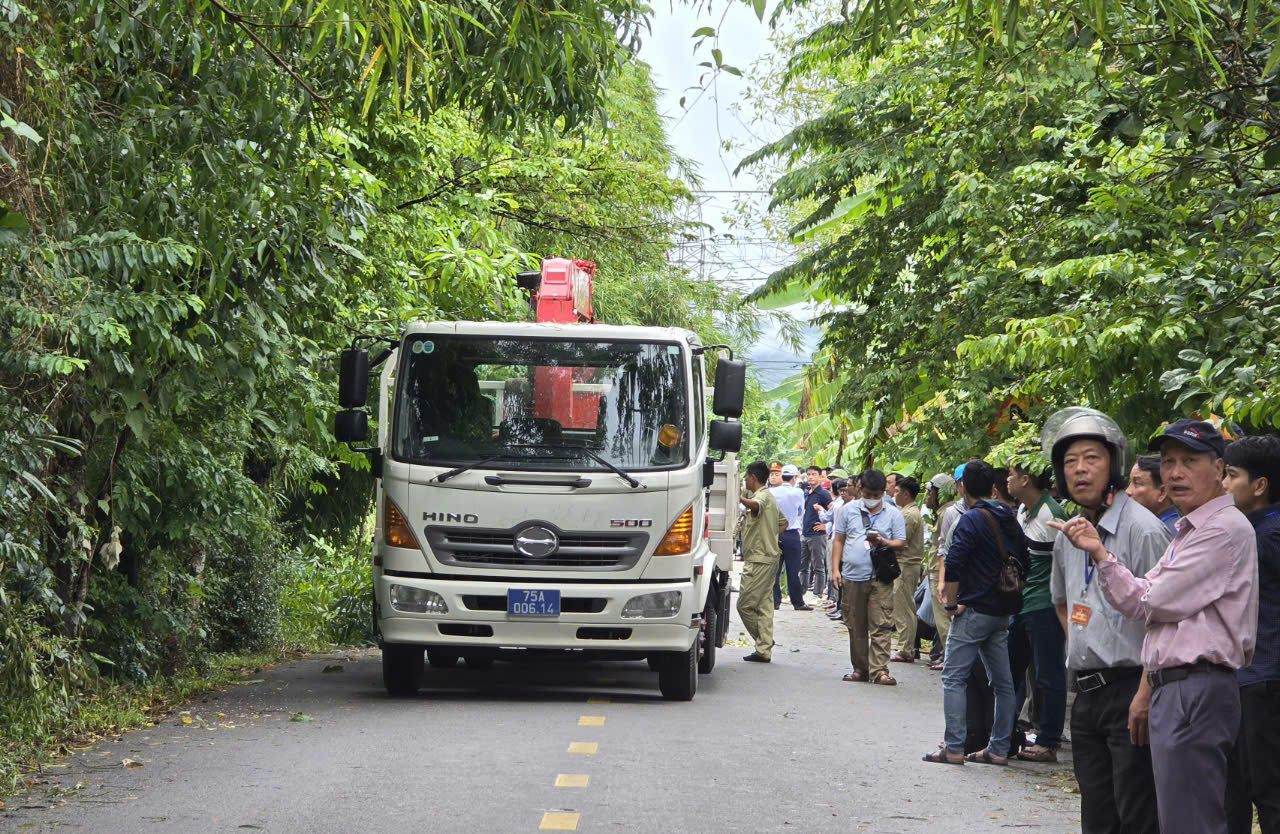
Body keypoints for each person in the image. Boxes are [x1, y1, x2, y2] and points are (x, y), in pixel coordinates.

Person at [1056, 418, 1258, 834]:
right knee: (1165, 816)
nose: (1175, 473)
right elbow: (1134, 596)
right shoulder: (1188, 529)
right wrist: (1098, 551)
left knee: (1180, 819)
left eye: (1189, 461)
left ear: (1219, 468)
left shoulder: (1219, 530)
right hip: (1168, 686)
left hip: (1190, 685)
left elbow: (1149, 600)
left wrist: (1102, 557)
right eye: (1168, 462)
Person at [1042, 410, 1171, 834]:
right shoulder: (1069, 529)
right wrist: (1085, 645)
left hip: (1134, 687)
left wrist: (1145, 690)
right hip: (1087, 692)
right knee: (1096, 811)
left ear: (1113, 464)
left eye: (1091, 458)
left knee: (1136, 810)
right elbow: (1063, 602)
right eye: (1070, 461)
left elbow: (1166, 619)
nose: (1080, 469)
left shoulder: (1144, 530)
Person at [923, 460, 1029, 766]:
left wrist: (952, 603)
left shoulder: (970, 519)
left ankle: (954, 746)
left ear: (962, 488)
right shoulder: (1008, 517)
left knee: (954, 677)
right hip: (1002, 611)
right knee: (1003, 683)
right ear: (994, 488)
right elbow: (1025, 560)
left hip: (974, 610)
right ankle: (998, 747)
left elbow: (954, 561)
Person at [1223, 434, 1280, 834]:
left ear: (1259, 486)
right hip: (1248, 676)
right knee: (1235, 788)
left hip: (1263, 678)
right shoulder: (1254, 530)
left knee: (1265, 787)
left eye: (1231, 475)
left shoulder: (1265, 537)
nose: (1223, 484)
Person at [1005, 459, 1069, 762]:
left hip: (1045, 605)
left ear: (1026, 480)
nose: (1007, 480)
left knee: (1048, 674)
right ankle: (1005, 732)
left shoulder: (1053, 516)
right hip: (1021, 604)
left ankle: (1048, 741)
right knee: (1011, 671)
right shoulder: (1022, 511)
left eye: (1011, 474)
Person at [832, 469, 906, 685]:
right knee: (856, 625)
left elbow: (901, 543)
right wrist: (835, 569)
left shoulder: (894, 514)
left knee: (881, 624)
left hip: (880, 577)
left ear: (883, 492)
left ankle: (880, 670)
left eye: (877, 495)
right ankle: (860, 669)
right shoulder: (848, 510)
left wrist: (883, 542)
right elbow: (839, 539)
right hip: (853, 576)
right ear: (860, 489)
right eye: (868, 494)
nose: (872, 499)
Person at [737, 460, 788, 663]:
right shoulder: (770, 498)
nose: (745, 480)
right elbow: (783, 523)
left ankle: (764, 641)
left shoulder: (763, 497)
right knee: (765, 606)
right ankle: (764, 650)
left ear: (753, 477)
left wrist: (737, 497)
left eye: (746, 477)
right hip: (767, 557)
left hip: (759, 560)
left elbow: (754, 505)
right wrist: (771, 538)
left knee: (745, 605)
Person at [929, 467, 968, 670]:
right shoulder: (947, 510)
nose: (928, 496)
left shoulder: (950, 512)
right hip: (939, 567)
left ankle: (950, 657)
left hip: (943, 569)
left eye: (931, 491)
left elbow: (945, 548)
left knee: (945, 615)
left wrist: (942, 579)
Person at [890, 476, 925, 663]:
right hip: (907, 564)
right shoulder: (908, 512)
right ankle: (907, 647)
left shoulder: (909, 515)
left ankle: (906, 648)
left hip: (905, 564)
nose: (894, 495)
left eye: (896, 492)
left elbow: (900, 541)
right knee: (905, 606)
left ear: (905, 494)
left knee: (903, 607)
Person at [771, 464, 811, 610]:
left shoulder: (772, 492)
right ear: (794, 478)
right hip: (792, 533)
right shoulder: (798, 492)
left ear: (782, 476)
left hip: (775, 533)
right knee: (793, 570)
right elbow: (801, 511)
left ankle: (775, 601)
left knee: (774, 570)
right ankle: (798, 602)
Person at [801, 465, 834, 601]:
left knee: (818, 566)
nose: (811, 477)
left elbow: (833, 513)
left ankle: (818, 594)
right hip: (805, 533)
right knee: (803, 566)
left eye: (814, 474)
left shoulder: (824, 494)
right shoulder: (807, 492)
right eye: (809, 474)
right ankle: (801, 592)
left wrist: (825, 526)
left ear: (820, 477)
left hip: (817, 536)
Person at [1127, 454, 1180, 535]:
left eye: (1137, 483)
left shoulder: (1164, 533)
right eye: (1129, 482)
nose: (1128, 491)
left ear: (1162, 492)